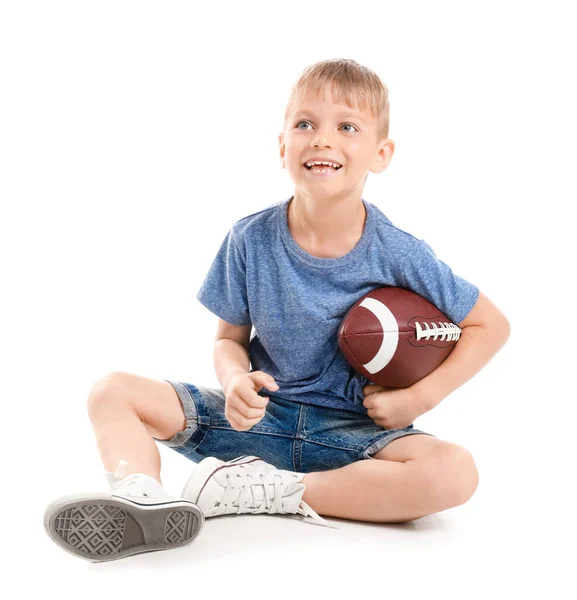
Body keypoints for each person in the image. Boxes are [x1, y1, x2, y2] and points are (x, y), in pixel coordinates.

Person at [43, 58, 511, 562]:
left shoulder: (399, 252)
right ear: (283, 146)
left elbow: (490, 325)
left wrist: (417, 399)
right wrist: (236, 379)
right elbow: (228, 340)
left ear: (381, 153)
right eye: (305, 124)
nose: (323, 139)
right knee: (112, 390)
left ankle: (268, 491)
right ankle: (142, 501)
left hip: (355, 439)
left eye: (346, 127)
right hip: (256, 423)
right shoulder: (250, 238)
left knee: (454, 473)